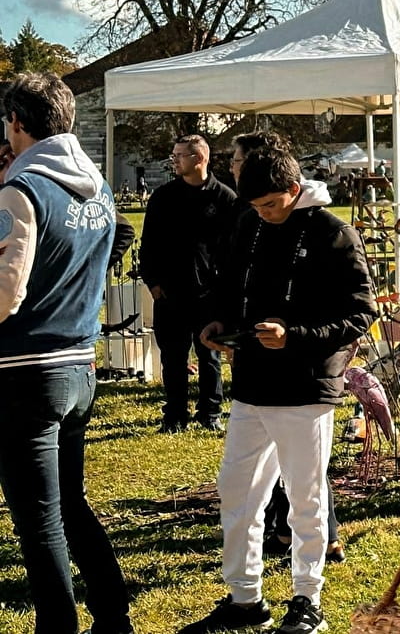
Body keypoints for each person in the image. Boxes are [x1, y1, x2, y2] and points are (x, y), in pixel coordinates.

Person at [180, 147, 377, 634]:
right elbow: (229, 282)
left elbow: (360, 312)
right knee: (238, 492)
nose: (263, 214)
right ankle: (244, 597)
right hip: (252, 383)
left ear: (294, 191)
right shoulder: (249, 224)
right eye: (256, 206)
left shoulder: (334, 234)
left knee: (305, 495)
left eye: (270, 205)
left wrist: (295, 335)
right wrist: (218, 321)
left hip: (307, 387)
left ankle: (307, 597)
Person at [0, 73, 131, 634]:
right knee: (69, 506)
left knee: (39, 520)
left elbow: (5, 293)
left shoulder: (22, 188)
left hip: (26, 371)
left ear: (17, 123)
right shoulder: (97, 186)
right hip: (79, 365)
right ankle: (113, 613)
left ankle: (59, 626)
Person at [141, 134, 236, 433]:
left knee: (209, 356)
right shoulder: (163, 197)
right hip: (170, 293)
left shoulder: (225, 198)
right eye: (174, 154)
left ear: (199, 158)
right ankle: (175, 415)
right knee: (173, 357)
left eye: (180, 155)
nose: (174, 160)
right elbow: (149, 245)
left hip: (209, 294)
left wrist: (225, 291)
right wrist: (153, 284)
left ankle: (210, 413)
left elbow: (234, 250)